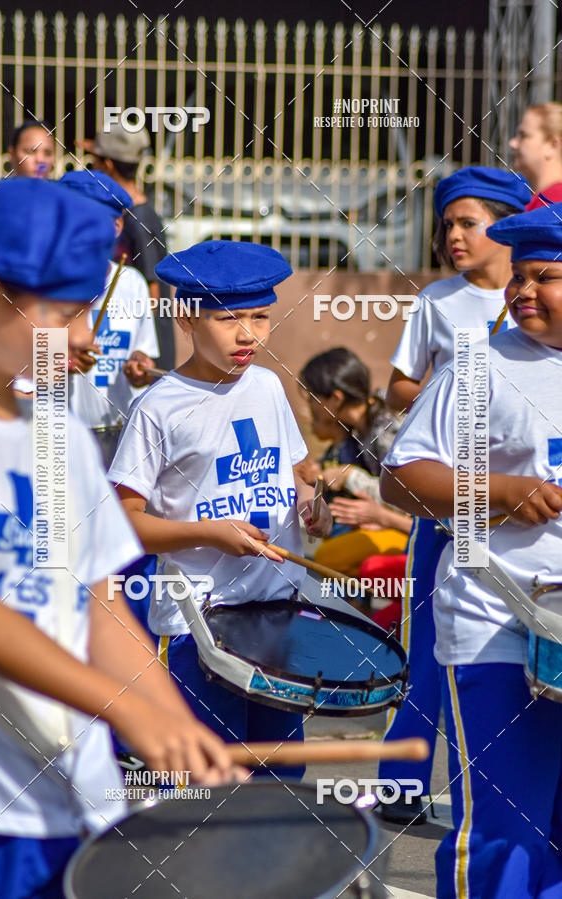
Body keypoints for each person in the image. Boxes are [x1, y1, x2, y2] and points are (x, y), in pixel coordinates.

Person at [0, 179, 237, 899]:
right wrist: (125, 710)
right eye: (69, 311)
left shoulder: (61, 438)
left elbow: (100, 604)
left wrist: (177, 728)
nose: (87, 337)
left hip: (81, 806)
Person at [380, 200, 562, 898]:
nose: (520, 291)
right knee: (504, 839)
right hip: (498, 628)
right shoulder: (481, 365)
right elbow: (403, 479)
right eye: (518, 275)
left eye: (542, 276)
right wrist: (497, 491)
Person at [109, 239, 332, 779]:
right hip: (200, 625)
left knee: (282, 782)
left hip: (275, 617)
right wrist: (209, 533)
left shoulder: (269, 386)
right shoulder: (157, 408)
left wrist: (313, 503)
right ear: (186, 317)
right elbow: (125, 525)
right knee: (212, 787)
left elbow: (299, 472)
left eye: (261, 317)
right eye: (230, 318)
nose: (249, 334)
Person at [57, 169, 159, 436]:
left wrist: (140, 365)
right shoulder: (43, 282)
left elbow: (142, 350)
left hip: (120, 430)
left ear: (117, 227)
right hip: (61, 433)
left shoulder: (133, 283)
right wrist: (59, 360)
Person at [298, 347, 411, 579]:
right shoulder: (360, 427)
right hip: (383, 524)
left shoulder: (387, 429)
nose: (310, 405)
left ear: (336, 399)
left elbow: (408, 498)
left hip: (411, 532)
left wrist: (350, 477)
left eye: (313, 397)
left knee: (327, 561)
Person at [83, 123, 175, 369]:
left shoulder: (138, 219)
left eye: (95, 162)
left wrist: (139, 349)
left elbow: (152, 294)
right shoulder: (134, 212)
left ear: (108, 165)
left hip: (140, 356)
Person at [510, 103, 562, 211]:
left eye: (523, 136)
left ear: (552, 145)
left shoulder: (553, 202)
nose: (513, 143)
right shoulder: (542, 201)